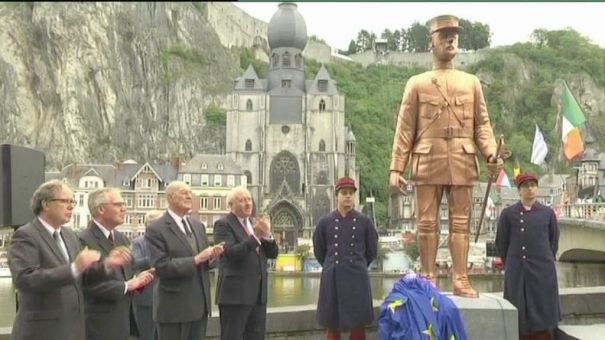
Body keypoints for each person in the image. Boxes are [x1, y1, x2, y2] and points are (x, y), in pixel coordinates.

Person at [389, 14, 503, 298]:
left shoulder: (471, 82)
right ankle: (428, 276)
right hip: (428, 157)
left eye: (454, 35)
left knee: (461, 223)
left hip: (463, 158)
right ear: (432, 43)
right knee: (426, 223)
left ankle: (461, 278)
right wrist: (396, 168)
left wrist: (490, 153)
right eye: (444, 35)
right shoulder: (416, 83)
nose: (451, 39)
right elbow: (405, 128)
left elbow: (483, 125)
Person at [7, 179, 132, 340]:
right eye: (65, 201)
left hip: (73, 329)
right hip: (42, 331)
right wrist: (74, 268)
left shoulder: (69, 235)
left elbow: (83, 277)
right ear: (46, 204)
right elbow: (25, 279)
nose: (72, 206)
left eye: (72, 201)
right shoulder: (26, 235)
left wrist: (106, 265)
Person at [146, 181, 224, 340]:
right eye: (183, 192)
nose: (189, 196)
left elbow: (205, 263)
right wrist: (196, 259)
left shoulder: (198, 226)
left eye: (190, 192)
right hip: (174, 310)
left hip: (200, 308)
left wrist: (212, 258)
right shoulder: (156, 229)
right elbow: (161, 267)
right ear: (170, 197)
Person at [79, 188, 155, 340]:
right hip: (99, 326)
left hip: (127, 323)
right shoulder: (83, 240)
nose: (124, 208)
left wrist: (140, 280)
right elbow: (85, 286)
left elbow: (130, 273)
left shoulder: (121, 238)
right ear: (101, 209)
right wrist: (127, 286)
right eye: (118, 204)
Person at [496, 173, 561, 340]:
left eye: (533, 185)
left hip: (542, 270)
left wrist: (544, 259)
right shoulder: (508, 214)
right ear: (519, 191)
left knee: (543, 311)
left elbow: (553, 241)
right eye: (526, 186)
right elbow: (502, 243)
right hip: (518, 270)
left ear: (537, 188)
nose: (530, 189)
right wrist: (512, 263)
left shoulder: (547, 213)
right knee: (519, 312)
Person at [313, 177, 378, 340]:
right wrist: (331, 266)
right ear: (337, 196)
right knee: (332, 325)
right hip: (332, 277)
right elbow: (319, 251)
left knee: (358, 327)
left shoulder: (365, 222)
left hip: (357, 279)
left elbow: (371, 251)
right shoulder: (325, 222)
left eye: (351, 193)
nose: (348, 196)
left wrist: (358, 265)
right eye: (344, 193)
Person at [214, 186, 279, 340]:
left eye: (249, 199)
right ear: (231, 204)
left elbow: (273, 254)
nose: (248, 203)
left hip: (258, 297)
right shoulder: (223, 224)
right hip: (235, 297)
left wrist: (268, 235)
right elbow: (231, 254)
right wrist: (256, 236)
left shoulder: (253, 223)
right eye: (242, 200)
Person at [132, 210, 164, 340]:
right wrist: (156, 258)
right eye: (153, 224)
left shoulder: (167, 243)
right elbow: (135, 263)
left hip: (166, 296)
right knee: (147, 334)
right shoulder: (138, 242)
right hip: (146, 296)